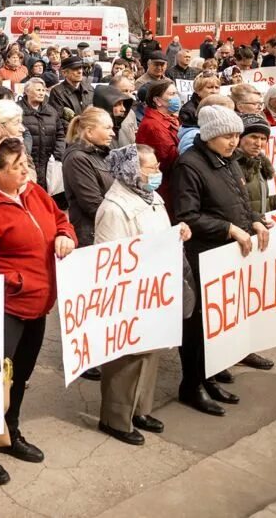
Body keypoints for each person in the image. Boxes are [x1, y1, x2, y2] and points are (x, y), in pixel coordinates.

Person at [0, 135, 76, 484]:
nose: (26, 169)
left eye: (26, 161)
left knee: (20, 377)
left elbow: (59, 220)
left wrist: (65, 235)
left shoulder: (33, 192)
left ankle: (10, 432)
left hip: (37, 305)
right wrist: (17, 284)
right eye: (16, 166)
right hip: (4, 311)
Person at [171, 106, 270, 416]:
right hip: (202, 255)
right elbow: (187, 216)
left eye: (236, 135)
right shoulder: (190, 165)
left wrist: (253, 220)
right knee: (198, 324)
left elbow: (239, 202)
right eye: (228, 136)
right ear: (211, 135)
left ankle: (209, 376)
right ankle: (192, 385)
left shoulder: (228, 162)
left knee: (218, 320)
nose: (234, 141)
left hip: (226, 254)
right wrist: (228, 228)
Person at [93, 146, 191, 445]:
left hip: (155, 287)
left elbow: (158, 233)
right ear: (131, 171)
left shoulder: (152, 197)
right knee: (127, 358)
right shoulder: (113, 208)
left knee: (151, 351)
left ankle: (140, 410)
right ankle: (115, 418)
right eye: (150, 168)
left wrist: (177, 232)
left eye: (156, 166)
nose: (157, 172)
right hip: (132, 291)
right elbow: (111, 256)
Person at [61, 107, 115, 248]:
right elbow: (92, 204)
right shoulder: (77, 158)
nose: (113, 133)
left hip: (106, 229)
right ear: (89, 131)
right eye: (107, 128)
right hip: (93, 235)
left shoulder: (102, 153)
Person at [134, 80, 181, 200]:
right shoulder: (153, 126)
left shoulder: (171, 119)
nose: (176, 98)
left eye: (176, 93)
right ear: (157, 100)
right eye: (171, 94)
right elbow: (170, 158)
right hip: (164, 186)